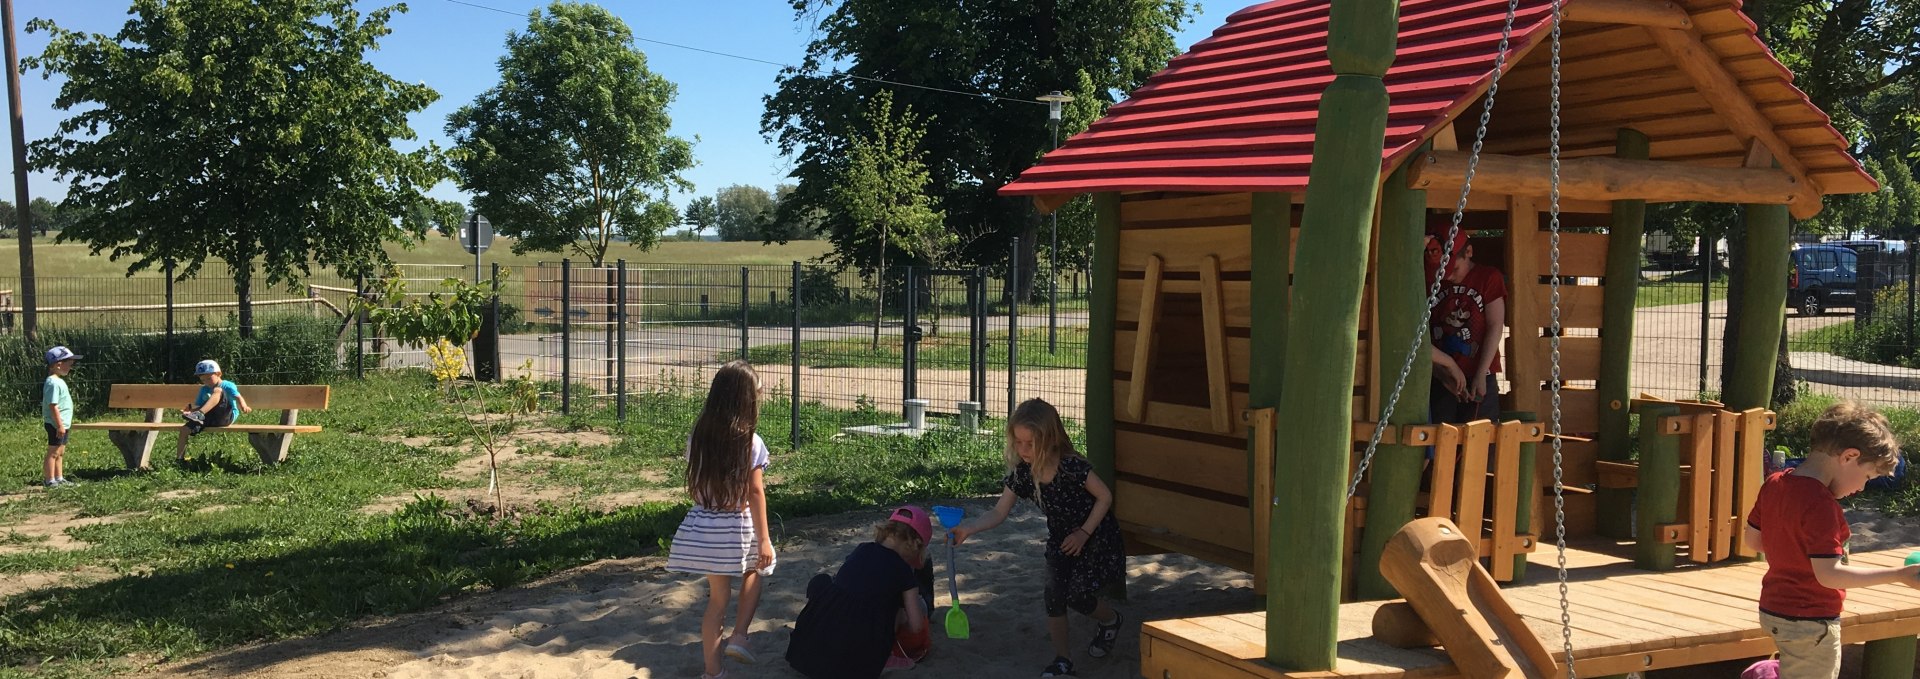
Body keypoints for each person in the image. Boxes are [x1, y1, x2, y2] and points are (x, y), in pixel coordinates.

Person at [951, 398, 1125, 678]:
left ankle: (1111, 620)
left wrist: (1083, 533)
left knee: (1077, 596)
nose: (1022, 449)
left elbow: (1105, 496)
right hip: (1061, 540)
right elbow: (998, 511)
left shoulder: (1072, 467)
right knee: (1053, 596)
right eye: (1018, 442)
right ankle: (1063, 661)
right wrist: (969, 528)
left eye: (1029, 443)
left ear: (1049, 438)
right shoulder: (1023, 473)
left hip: (1095, 537)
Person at [1745, 401, 1918, 679]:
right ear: (1849, 456)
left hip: (1774, 611)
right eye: (1867, 476)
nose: (1861, 488)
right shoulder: (1821, 504)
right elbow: (1829, 575)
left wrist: (1795, 550)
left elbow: (1753, 540)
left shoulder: (1775, 483)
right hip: (1811, 622)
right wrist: (1898, 574)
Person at [665, 360, 775, 679]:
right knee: (757, 567)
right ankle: (740, 635)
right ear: (747, 399)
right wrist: (765, 538)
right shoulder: (751, 441)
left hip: (705, 523)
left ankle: (713, 672)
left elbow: (697, 479)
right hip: (736, 523)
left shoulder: (698, 436)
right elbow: (755, 492)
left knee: (717, 600)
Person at [786, 506, 934, 678]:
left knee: (824, 582)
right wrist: (901, 618)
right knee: (889, 606)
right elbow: (916, 626)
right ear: (916, 545)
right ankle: (889, 656)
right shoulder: (904, 572)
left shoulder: (862, 549)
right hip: (856, 662)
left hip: (807, 654)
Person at [1425, 224, 1507, 424]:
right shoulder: (1434, 279)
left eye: (1454, 269)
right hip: (1443, 376)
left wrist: (1481, 373)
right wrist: (1442, 374)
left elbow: (1496, 325)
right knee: (1444, 438)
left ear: (1469, 252)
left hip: (1480, 372)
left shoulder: (1488, 277)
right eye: (1443, 272)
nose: (1448, 276)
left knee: (1480, 436)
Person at [177, 360, 252, 462]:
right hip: (208, 417)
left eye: (209, 378)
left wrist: (244, 406)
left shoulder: (227, 385)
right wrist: (190, 411)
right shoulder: (204, 389)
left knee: (218, 390)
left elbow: (238, 396)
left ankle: (199, 415)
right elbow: (200, 405)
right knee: (184, 430)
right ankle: (179, 460)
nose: (207, 382)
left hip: (225, 417)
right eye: (203, 380)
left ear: (218, 374)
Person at [41, 346, 80, 486]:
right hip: (56, 424)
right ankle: (50, 480)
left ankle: (59, 478)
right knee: (53, 452)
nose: (71, 367)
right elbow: (53, 405)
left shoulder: (59, 381)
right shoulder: (52, 382)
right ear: (58, 364)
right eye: (69, 364)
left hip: (63, 424)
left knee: (60, 452)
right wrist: (59, 425)